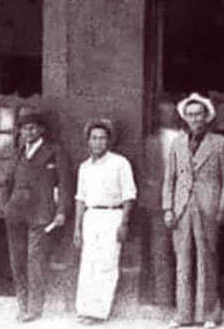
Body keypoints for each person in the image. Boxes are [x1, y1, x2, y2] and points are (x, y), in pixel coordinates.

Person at [162, 92, 224, 329]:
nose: (195, 119)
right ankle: (183, 314)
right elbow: (169, 179)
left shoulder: (219, 143)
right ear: (185, 118)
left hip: (208, 206)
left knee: (207, 259)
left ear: (207, 116)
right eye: (190, 114)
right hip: (181, 207)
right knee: (182, 260)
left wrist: (222, 209)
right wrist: (168, 208)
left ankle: (209, 314)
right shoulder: (177, 143)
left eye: (199, 114)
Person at [3, 111, 71, 322]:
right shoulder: (18, 152)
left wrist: (61, 211)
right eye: (25, 128)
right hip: (16, 214)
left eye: (32, 128)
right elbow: (8, 182)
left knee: (36, 262)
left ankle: (34, 308)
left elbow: (64, 184)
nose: (28, 132)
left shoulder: (54, 151)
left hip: (41, 214)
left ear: (41, 130)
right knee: (18, 261)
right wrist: (7, 206)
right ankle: (22, 304)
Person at [73, 119, 137, 325]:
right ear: (88, 141)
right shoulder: (84, 167)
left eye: (102, 138)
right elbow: (80, 198)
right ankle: (84, 309)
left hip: (112, 215)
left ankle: (99, 312)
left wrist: (124, 223)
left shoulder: (120, 163)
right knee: (88, 263)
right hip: (91, 216)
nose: (98, 142)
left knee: (107, 263)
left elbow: (129, 195)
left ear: (108, 141)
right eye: (94, 138)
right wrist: (77, 229)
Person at [142, 101, 179, 307]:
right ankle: (163, 297)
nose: (167, 115)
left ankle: (184, 298)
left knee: (184, 251)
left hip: (183, 203)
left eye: (171, 111)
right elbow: (144, 172)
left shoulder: (187, 139)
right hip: (158, 204)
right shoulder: (151, 142)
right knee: (160, 251)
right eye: (163, 112)